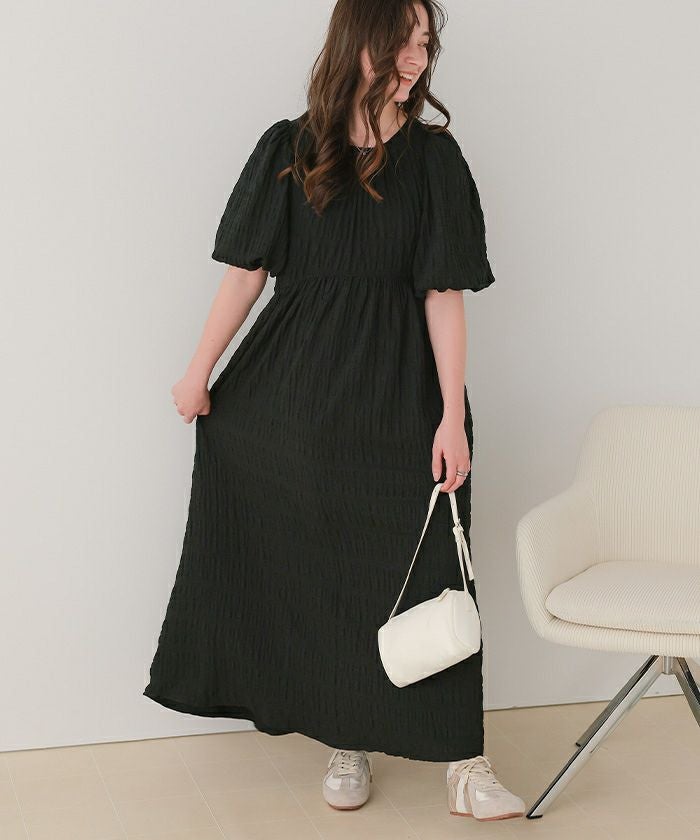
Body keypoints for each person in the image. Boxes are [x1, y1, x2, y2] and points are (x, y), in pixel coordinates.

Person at [143, 0, 526, 823]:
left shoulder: (434, 159)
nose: (418, 57)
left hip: (401, 396)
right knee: (327, 570)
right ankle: (346, 740)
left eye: (426, 43)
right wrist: (198, 372)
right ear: (361, 42)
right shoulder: (290, 148)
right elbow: (246, 272)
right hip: (299, 400)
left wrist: (450, 415)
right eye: (403, 41)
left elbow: (443, 291)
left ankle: (465, 763)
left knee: (431, 569)